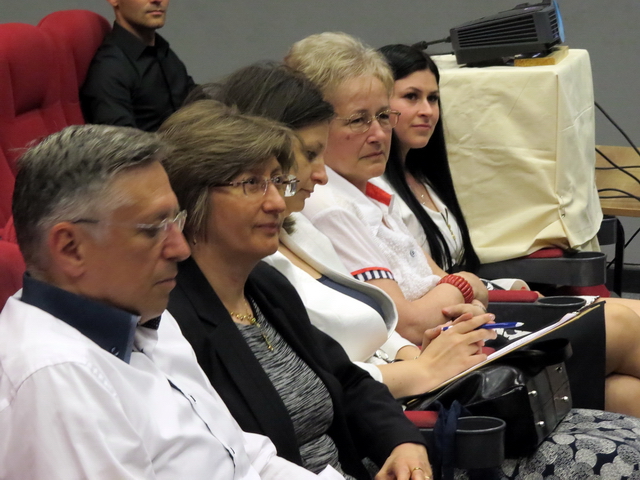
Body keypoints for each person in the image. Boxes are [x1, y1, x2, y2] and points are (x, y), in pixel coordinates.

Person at [0, 124, 347, 479]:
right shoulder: (56, 377)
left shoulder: (142, 313)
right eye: (153, 229)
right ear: (71, 248)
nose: (180, 249)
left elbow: (244, 458)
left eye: (175, 221)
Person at [188, 62, 498, 399]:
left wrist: (420, 353)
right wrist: (424, 366)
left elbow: (381, 326)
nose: (322, 176)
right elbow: (315, 377)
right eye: (309, 154)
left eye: (383, 116)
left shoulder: (298, 228)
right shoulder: (273, 246)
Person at [160, 100, 433, 480]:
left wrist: (402, 442)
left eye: (276, 181)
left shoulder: (265, 285)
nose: (276, 203)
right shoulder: (171, 322)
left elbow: (347, 380)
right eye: (252, 184)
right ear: (193, 195)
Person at [377, 43, 640, 416]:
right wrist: (477, 288)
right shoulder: (376, 194)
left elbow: (454, 275)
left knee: (625, 388)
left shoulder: (423, 175)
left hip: (476, 307)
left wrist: (485, 288)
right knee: (622, 323)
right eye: (411, 97)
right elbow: (423, 301)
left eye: (433, 98)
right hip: (451, 330)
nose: (427, 110)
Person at [81, 0, 195, 131]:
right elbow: (121, 142)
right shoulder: (109, 70)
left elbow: (196, 101)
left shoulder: (163, 51)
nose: (157, 0)